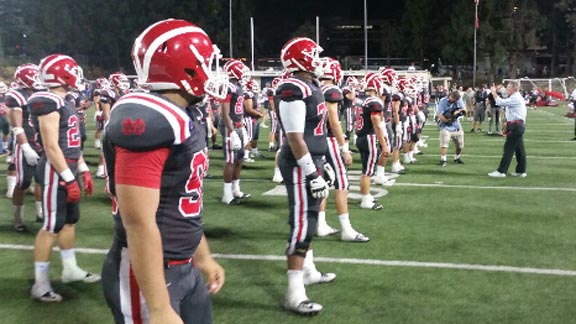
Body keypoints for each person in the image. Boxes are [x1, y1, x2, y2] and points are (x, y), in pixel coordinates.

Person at [101, 19, 226, 324]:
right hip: (147, 273)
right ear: (186, 69)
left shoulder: (184, 115)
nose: (212, 70)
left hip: (184, 267)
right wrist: (157, 307)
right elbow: (138, 221)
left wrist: (203, 256)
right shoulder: (149, 117)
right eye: (207, 63)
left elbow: (180, 202)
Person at [29, 54, 98, 302]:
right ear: (61, 74)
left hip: (67, 165)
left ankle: (70, 269)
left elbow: (70, 143)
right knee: (51, 226)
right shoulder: (46, 100)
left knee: (70, 221)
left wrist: (83, 169)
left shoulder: (64, 100)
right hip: (54, 169)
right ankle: (40, 284)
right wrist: (69, 179)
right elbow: (50, 146)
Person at [276, 37, 336, 315]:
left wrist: (324, 162)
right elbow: (296, 138)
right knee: (302, 224)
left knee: (311, 219)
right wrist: (312, 171)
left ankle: (309, 271)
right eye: (313, 55)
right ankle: (294, 293)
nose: (318, 59)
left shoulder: (311, 85)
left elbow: (315, 132)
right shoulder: (293, 88)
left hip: (313, 159)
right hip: (301, 163)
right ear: (301, 58)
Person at [317, 58, 369, 241]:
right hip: (329, 141)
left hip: (316, 141)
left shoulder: (315, 88)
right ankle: (347, 230)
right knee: (341, 183)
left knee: (322, 183)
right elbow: (334, 121)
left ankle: (320, 224)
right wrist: (344, 147)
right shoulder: (331, 91)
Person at [5, 63, 45, 232]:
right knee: (23, 182)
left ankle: (41, 212)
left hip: (40, 142)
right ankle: (18, 218)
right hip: (25, 143)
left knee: (43, 180)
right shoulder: (17, 96)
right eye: (35, 76)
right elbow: (17, 126)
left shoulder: (40, 94)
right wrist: (26, 147)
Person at [355, 72, 389, 210]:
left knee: (367, 169)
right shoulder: (374, 102)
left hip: (361, 136)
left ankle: (366, 195)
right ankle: (365, 199)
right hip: (369, 137)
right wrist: (384, 144)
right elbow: (376, 122)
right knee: (367, 172)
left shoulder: (361, 99)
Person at [220, 59, 251, 204]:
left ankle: (236, 189)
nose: (244, 72)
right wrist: (231, 132)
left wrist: (242, 127)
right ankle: (227, 194)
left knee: (239, 159)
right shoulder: (228, 87)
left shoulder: (238, 86)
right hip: (230, 126)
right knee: (231, 160)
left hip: (239, 125)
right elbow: (225, 113)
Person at [488, 81, 527, 178]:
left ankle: (501, 171)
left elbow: (500, 102)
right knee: (519, 150)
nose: (506, 89)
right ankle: (521, 170)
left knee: (508, 149)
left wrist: (493, 92)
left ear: (514, 89)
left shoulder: (516, 98)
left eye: (508, 88)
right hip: (517, 125)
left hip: (516, 126)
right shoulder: (515, 97)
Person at [435, 90, 466, 167]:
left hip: (456, 125)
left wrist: (458, 113)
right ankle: (443, 159)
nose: (451, 99)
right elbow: (439, 114)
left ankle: (457, 157)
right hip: (445, 125)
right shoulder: (443, 101)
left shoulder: (459, 101)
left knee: (460, 144)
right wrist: (447, 120)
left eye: (453, 98)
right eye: (451, 97)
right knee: (444, 143)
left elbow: (464, 110)